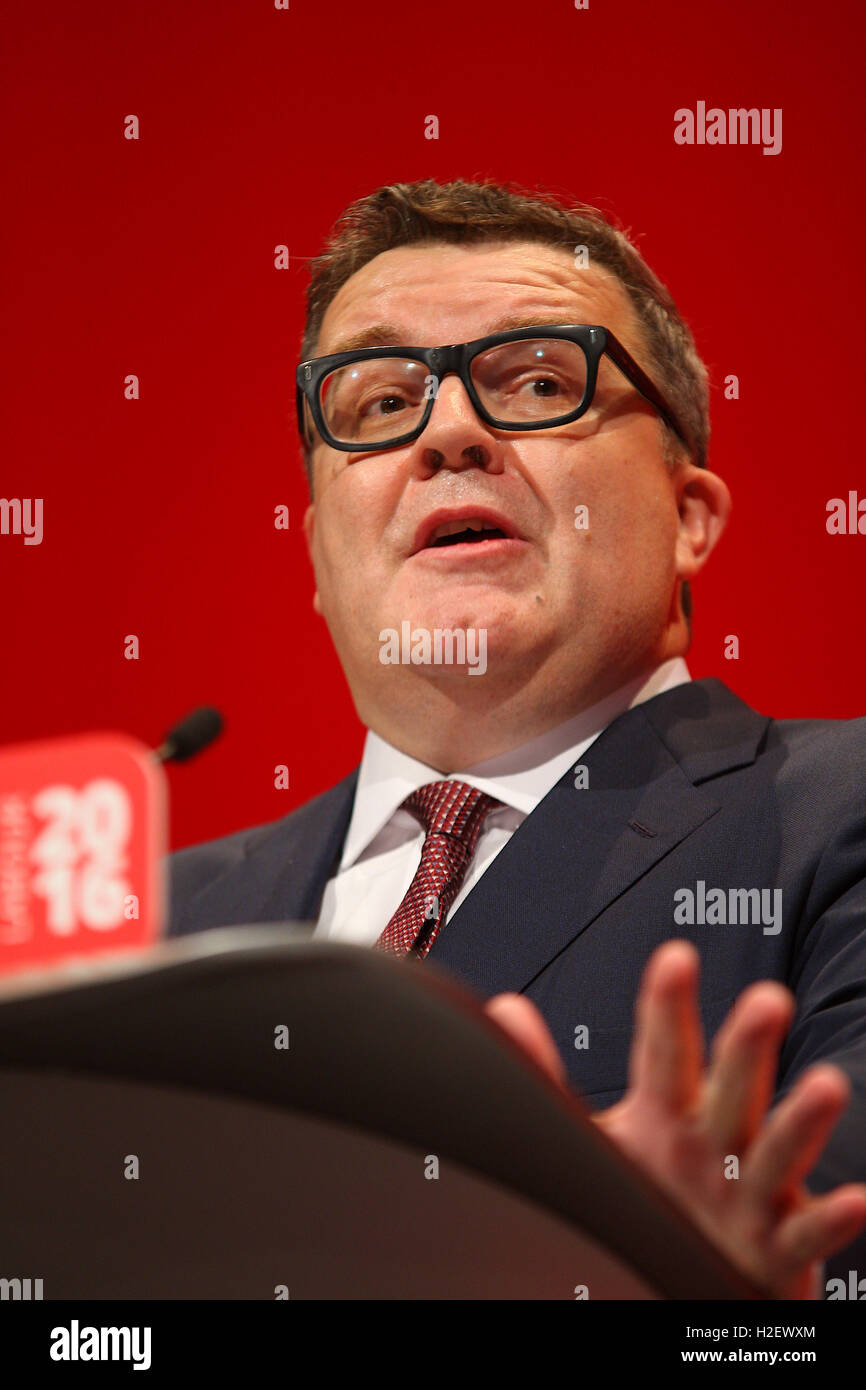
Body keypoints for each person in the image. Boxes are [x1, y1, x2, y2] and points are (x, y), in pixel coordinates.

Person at [169, 178, 866, 1299]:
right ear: (313, 547)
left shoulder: (832, 818)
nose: (448, 432)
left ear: (687, 515)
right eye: (380, 401)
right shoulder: (153, 932)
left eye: (538, 380)